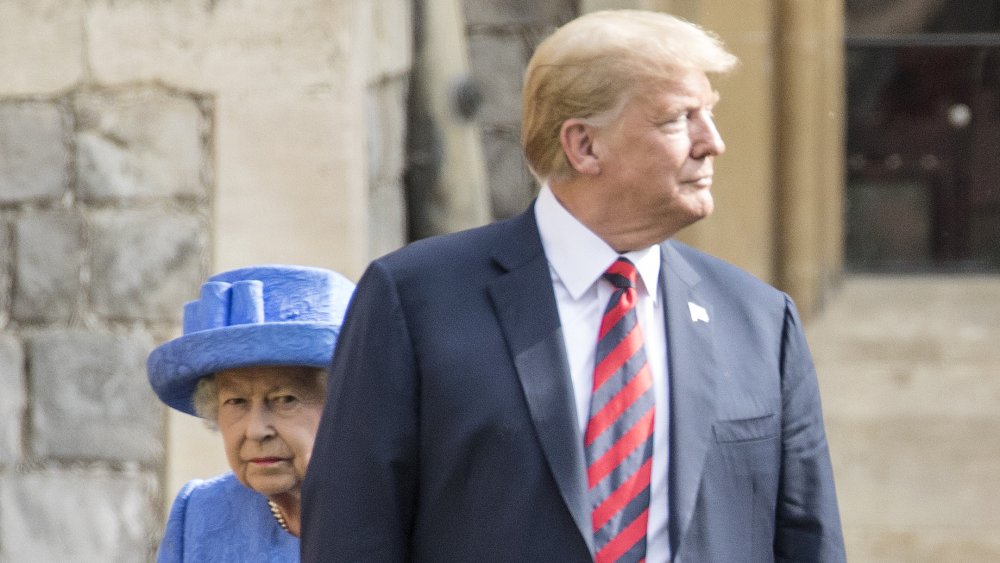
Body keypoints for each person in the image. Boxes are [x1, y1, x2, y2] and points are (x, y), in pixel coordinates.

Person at [302, 9, 845, 563]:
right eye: (679, 119)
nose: (713, 143)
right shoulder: (414, 302)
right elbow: (352, 534)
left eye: (709, 114)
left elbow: (808, 540)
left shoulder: (760, 320)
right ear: (584, 146)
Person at [147, 265, 354, 562]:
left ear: (344, 406)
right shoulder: (199, 513)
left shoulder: (399, 511)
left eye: (285, 399)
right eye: (236, 402)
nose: (256, 430)